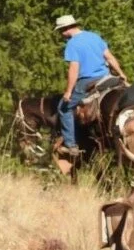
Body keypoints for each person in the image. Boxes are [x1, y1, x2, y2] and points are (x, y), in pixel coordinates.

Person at [54, 14, 128, 156]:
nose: (60, 34)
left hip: (88, 81)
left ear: (65, 29)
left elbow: (74, 69)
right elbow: (109, 57)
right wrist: (121, 74)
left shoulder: (72, 44)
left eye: (60, 31)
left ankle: (71, 145)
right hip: (107, 77)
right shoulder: (94, 36)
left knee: (63, 109)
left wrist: (69, 91)